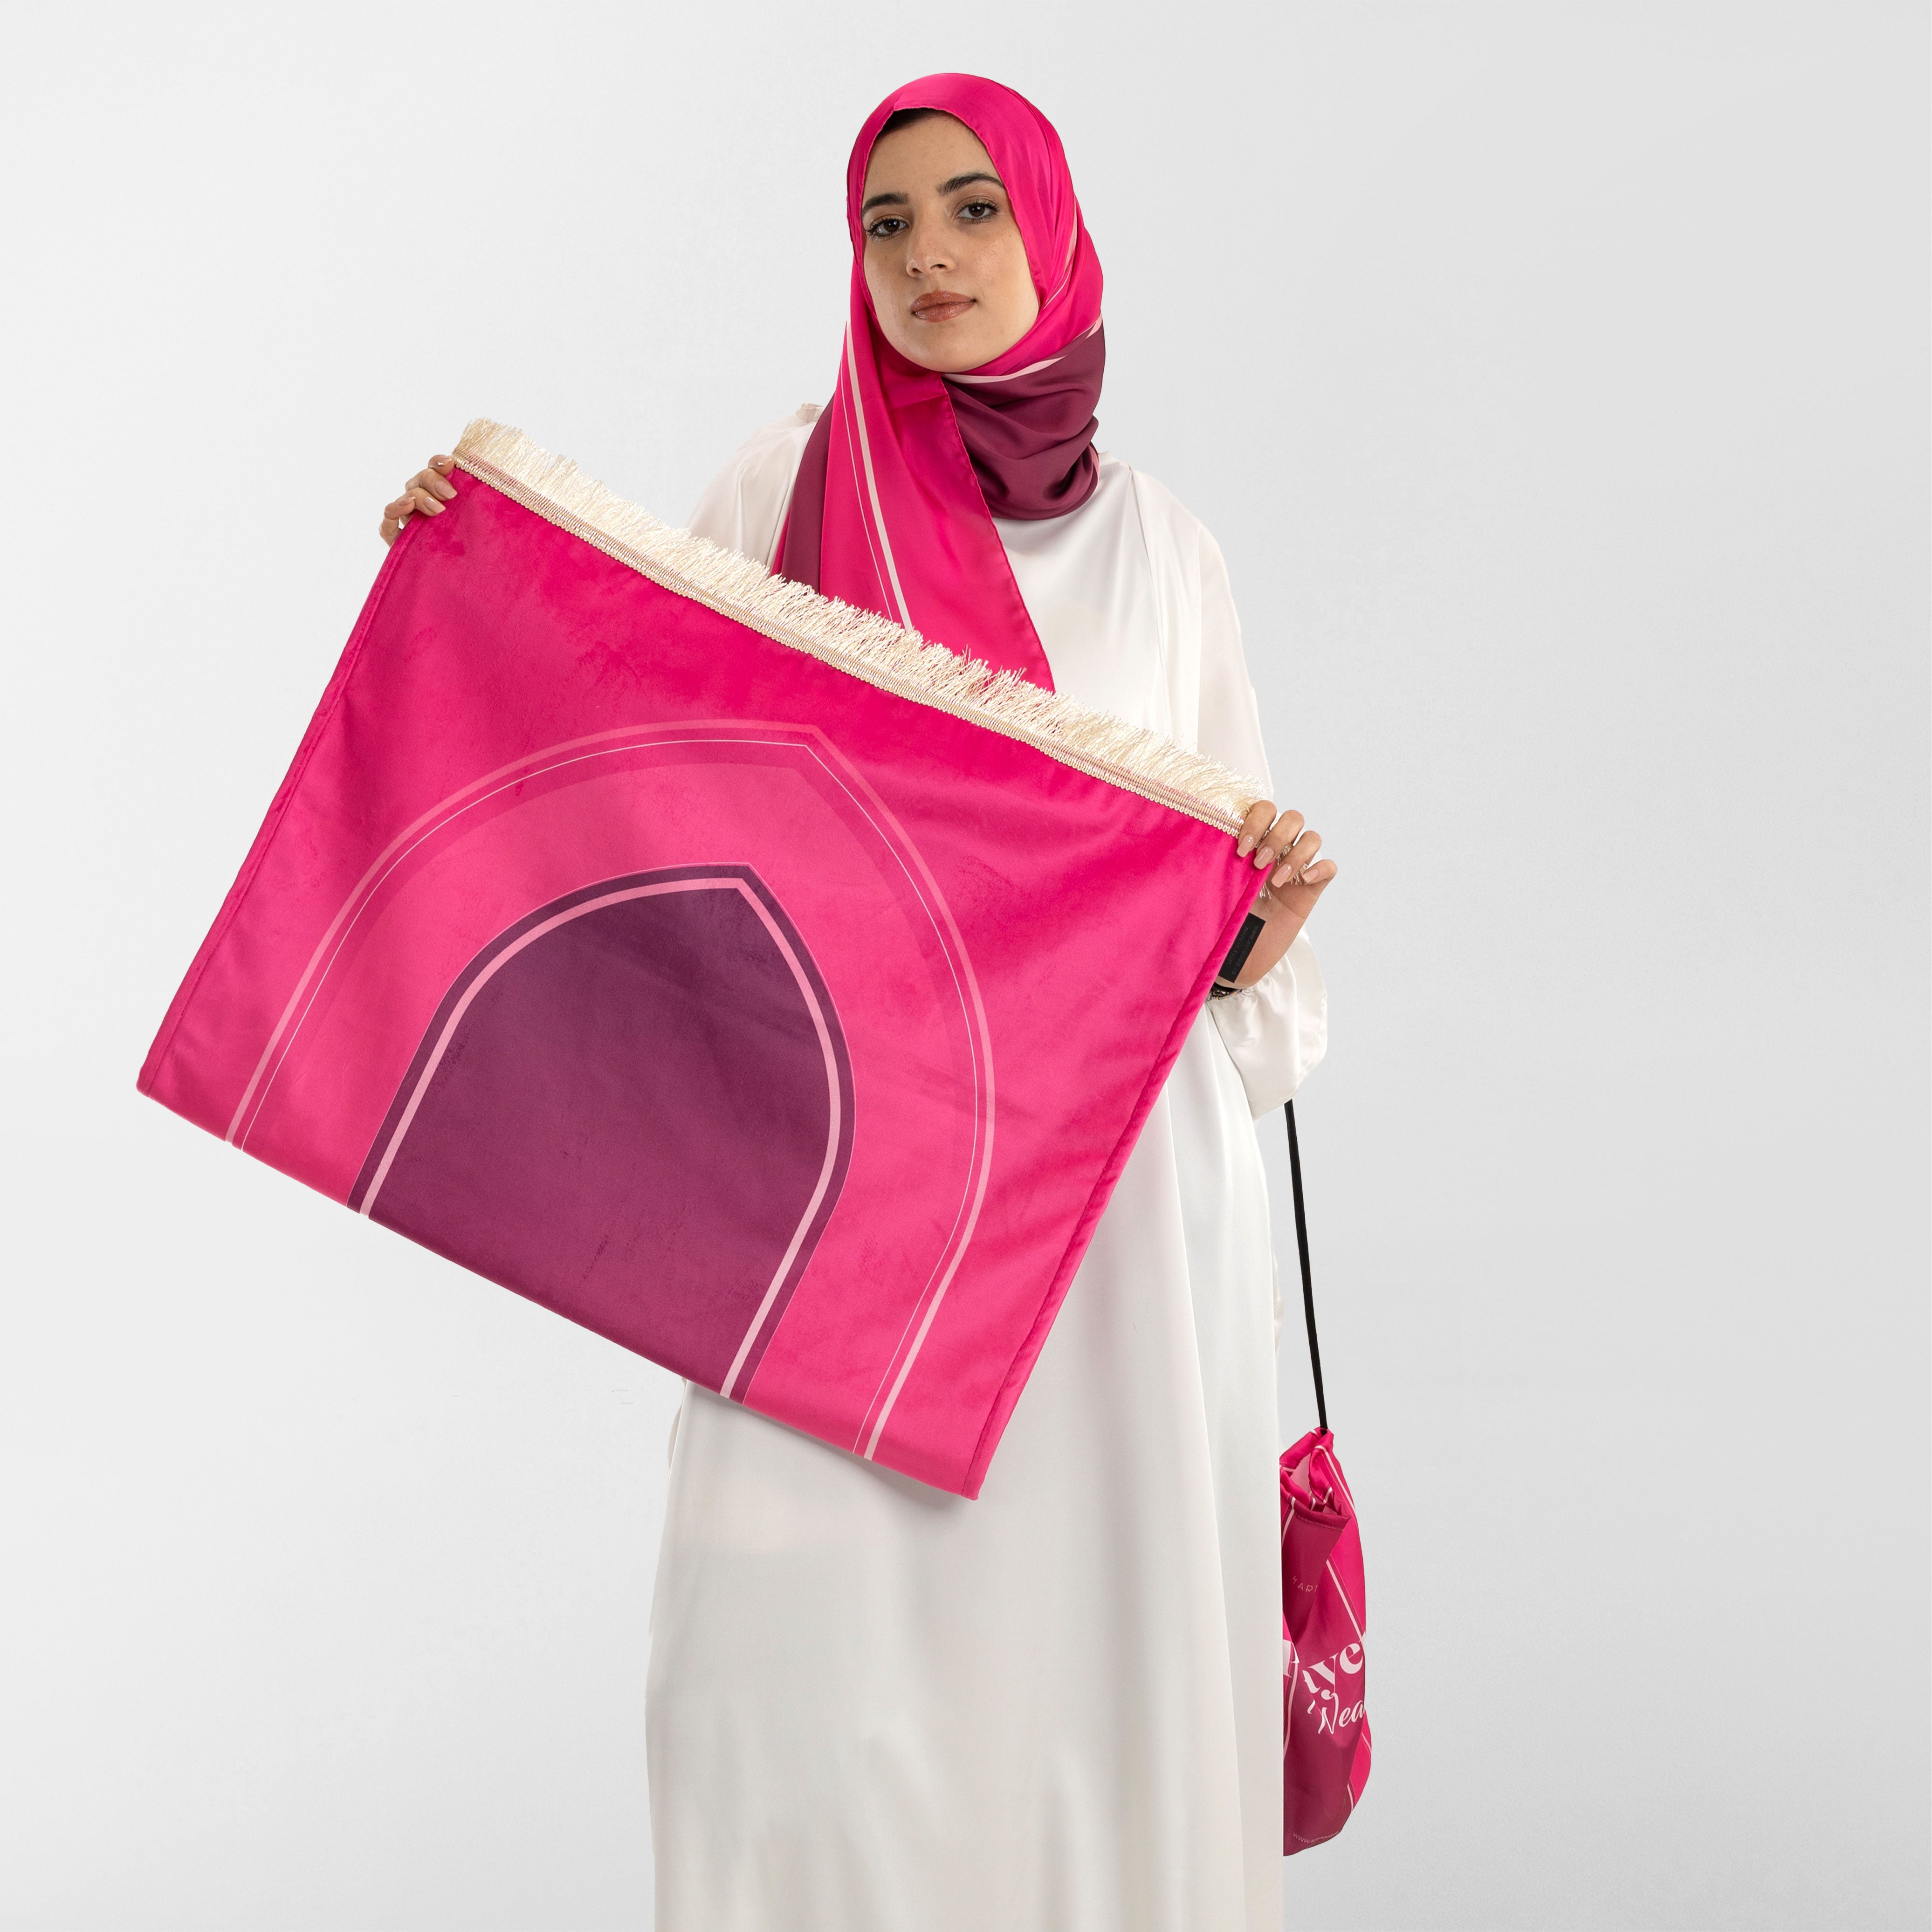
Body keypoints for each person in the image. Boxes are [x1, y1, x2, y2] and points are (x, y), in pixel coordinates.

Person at [379, 73, 1335, 1932]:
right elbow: (631, 760)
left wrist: (1262, 927)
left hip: (1115, 1235)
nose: (927, 255)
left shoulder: (1166, 553)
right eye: (884, 222)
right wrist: (464, 580)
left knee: (1086, 1700)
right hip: (840, 1197)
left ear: (1053, 235)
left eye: (972, 208)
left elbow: (1237, 979)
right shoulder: (782, 491)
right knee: (782, 1691)